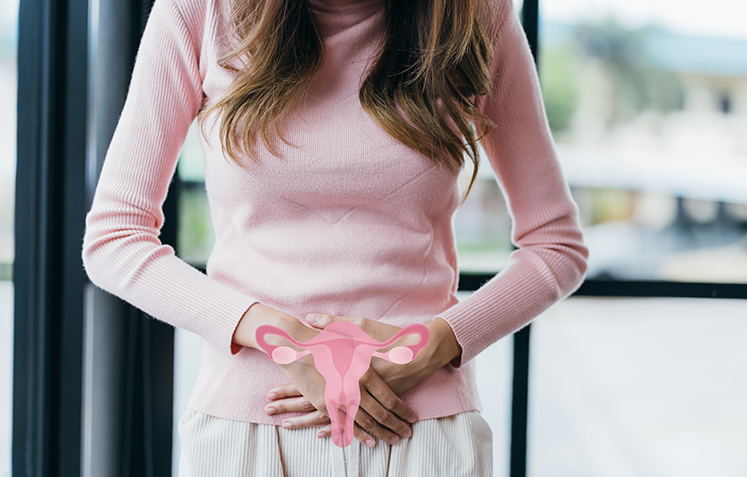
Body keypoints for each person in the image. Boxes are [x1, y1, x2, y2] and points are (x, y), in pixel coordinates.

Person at [81, 0, 589, 474]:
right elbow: (115, 237)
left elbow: (557, 246)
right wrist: (287, 342)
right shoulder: (201, 12)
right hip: (246, 434)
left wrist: (430, 347)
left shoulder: (473, 16)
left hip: (422, 430)